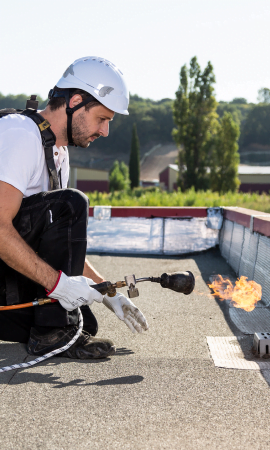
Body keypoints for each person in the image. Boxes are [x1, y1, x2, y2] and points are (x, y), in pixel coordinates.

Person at [0, 56, 148, 360]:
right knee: (72, 203)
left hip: (7, 280)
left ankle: (54, 332)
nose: (105, 131)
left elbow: (62, 239)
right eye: (102, 119)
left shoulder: (58, 153)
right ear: (76, 102)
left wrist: (109, 293)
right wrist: (58, 285)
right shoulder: (20, 134)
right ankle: (51, 335)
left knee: (83, 322)